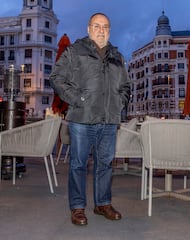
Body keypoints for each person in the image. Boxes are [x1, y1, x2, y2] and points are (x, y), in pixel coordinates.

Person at [49, 12, 130, 226]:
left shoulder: (117, 56)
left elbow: (125, 86)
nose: (101, 30)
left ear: (109, 30)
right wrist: (77, 99)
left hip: (109, 119)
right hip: (82, 118)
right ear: (88, 28)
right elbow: (56, 78)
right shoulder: (75, 51)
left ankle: (102, 203)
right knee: (78, 164)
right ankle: (77, 208)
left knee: (105, 164)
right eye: (97, 26)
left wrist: (119, 103)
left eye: (105, 27)